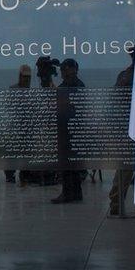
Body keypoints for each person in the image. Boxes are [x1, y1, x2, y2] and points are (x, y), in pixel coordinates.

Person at [52, 58, 85, 204]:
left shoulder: (74, 85)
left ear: (72, 69)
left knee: (68, 163)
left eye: (65, 69)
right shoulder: (70, 85)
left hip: (70, 129)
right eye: (62, 69)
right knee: (70, 163)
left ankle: (69, 193)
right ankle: (74, 192)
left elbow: (68, 105)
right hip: (69, 128)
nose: (63, 72)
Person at [109, 45, 135, 216]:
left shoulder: (126, 74)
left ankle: (116, 200)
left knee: (126, 166)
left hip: (129, 127)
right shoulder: (132, 75)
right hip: (132, 127)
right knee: (127, 167)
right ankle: (116, 201)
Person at [4, 65, 32, 184]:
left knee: (26, 152)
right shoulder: (13, 89)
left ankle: (24, 175)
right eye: (25, 77)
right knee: (12, 152)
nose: (27, 80)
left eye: (28, 78)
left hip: (27, 127)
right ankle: (10, 175)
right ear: (20, 76)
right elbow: (8, 108)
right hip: (15, 126)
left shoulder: (30, 92)